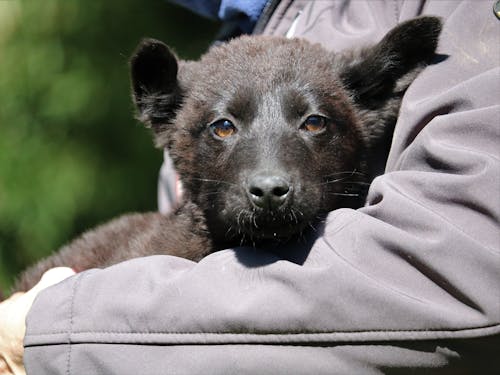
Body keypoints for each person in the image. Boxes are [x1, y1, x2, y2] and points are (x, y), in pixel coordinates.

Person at [1, 0, 499, 373]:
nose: (267, 177)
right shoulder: (143, 259)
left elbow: (459, 263)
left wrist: (53, 329)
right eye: (223, 127)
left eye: (312, 123)